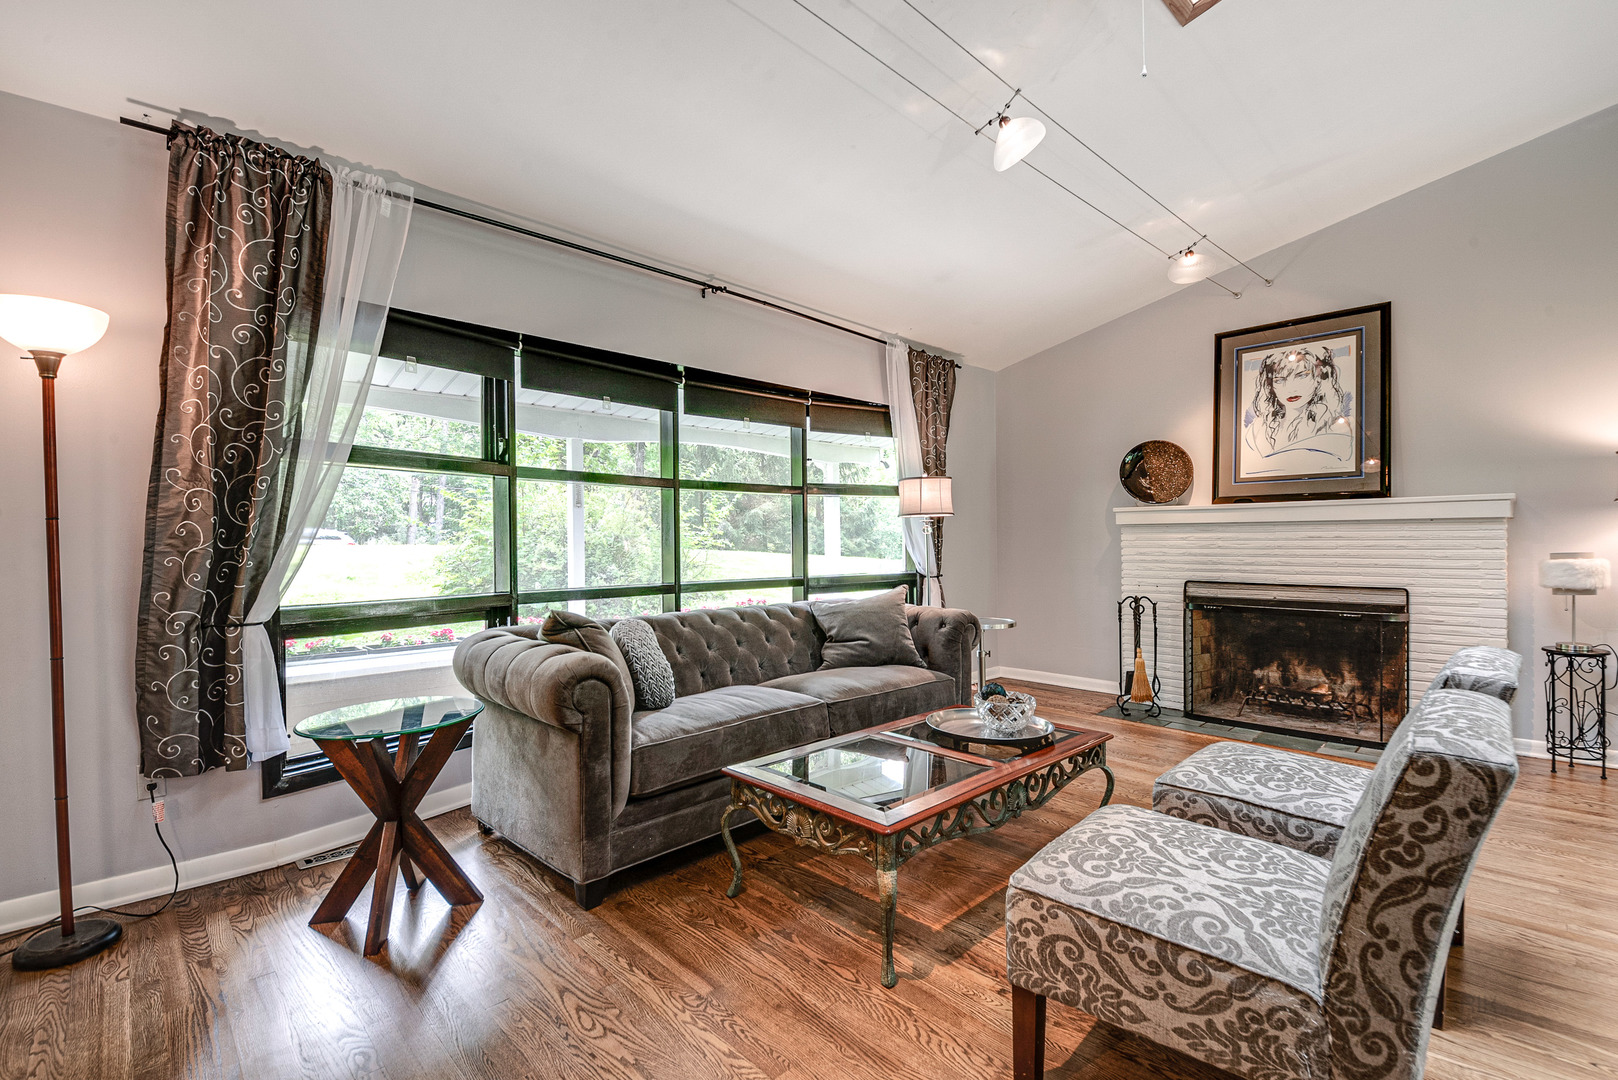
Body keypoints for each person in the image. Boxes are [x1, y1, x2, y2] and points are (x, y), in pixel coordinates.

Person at [1241, 346, 1354, 476]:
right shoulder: (1257, 429)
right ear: (1270, 386)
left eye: (1302, 376)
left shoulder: (1337, 426)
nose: (1291, 388)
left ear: (1319, 378)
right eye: (1280, 380)